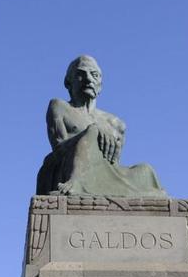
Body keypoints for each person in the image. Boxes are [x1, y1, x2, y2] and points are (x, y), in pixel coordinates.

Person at [37, 55, 165, 197]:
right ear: (68, 82)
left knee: (145, 170)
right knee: (92, 130)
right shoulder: (59, 107)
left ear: (100, 85)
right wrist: (92, 132)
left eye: (94, 75)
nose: (88, 79)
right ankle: (77, 184)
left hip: (101, 174)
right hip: (67, 169)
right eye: (81, 74)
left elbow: (113, 164)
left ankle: (141, 194)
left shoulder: (115, 123)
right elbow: (59, 150)